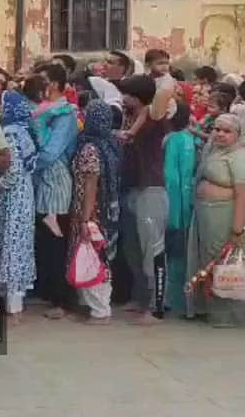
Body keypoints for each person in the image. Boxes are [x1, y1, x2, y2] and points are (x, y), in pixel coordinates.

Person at [187, 113, 245, 327]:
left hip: (231, 216)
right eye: (217, 129)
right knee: (209, 261)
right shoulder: (214, 150)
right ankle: (211, 310)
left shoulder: (243, 156)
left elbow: (242, 194)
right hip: (209, 215)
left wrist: (238, 229)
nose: (219, 134)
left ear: (238, 135)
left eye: (226, 131)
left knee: (227, 263)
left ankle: (229, 316)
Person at [117, 74, 173, 325]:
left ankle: (157, 305)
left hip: (151, 188)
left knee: (153, 249)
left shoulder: (154, 116)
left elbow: (165, 89)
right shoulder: (131, 117)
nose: (122, 98)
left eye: (126, 93)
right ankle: (140, 296)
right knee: (132, 248)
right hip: (132, 187)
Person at [0, 91, 38, 323]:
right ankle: (13, 304)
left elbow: (12, 175)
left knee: (10, 249)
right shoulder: (24, 131)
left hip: (11, 202)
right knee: (16, 247)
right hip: (22, 199)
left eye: (1, 105)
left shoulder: (10, 135)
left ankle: (12, 309)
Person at [69, 100, 124, 324]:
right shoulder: (109, 144)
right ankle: (94, 305)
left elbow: (91, 184)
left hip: (91, 211)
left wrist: (85, 219)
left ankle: (100, 311)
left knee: (91, 257)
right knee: (98, 257)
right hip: (104, 209)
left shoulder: (90, 148)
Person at [30, 65, 78, 318]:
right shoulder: (43, 110)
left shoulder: (65, 114)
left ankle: (61, 299)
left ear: (57, 84)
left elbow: (51, 151)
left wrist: (29, 161)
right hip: (42, 179)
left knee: (56, 239)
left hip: (56, 178)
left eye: (44, 81)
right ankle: (48, 292)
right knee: (45, 240)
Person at [162, 101, 199, 313]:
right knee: (181, 253)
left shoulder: (174, 139)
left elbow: (171, 177)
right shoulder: (188, 138)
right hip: (185, 203)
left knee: (172, 252)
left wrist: (173, 211)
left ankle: (170, 298)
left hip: (174, 204)